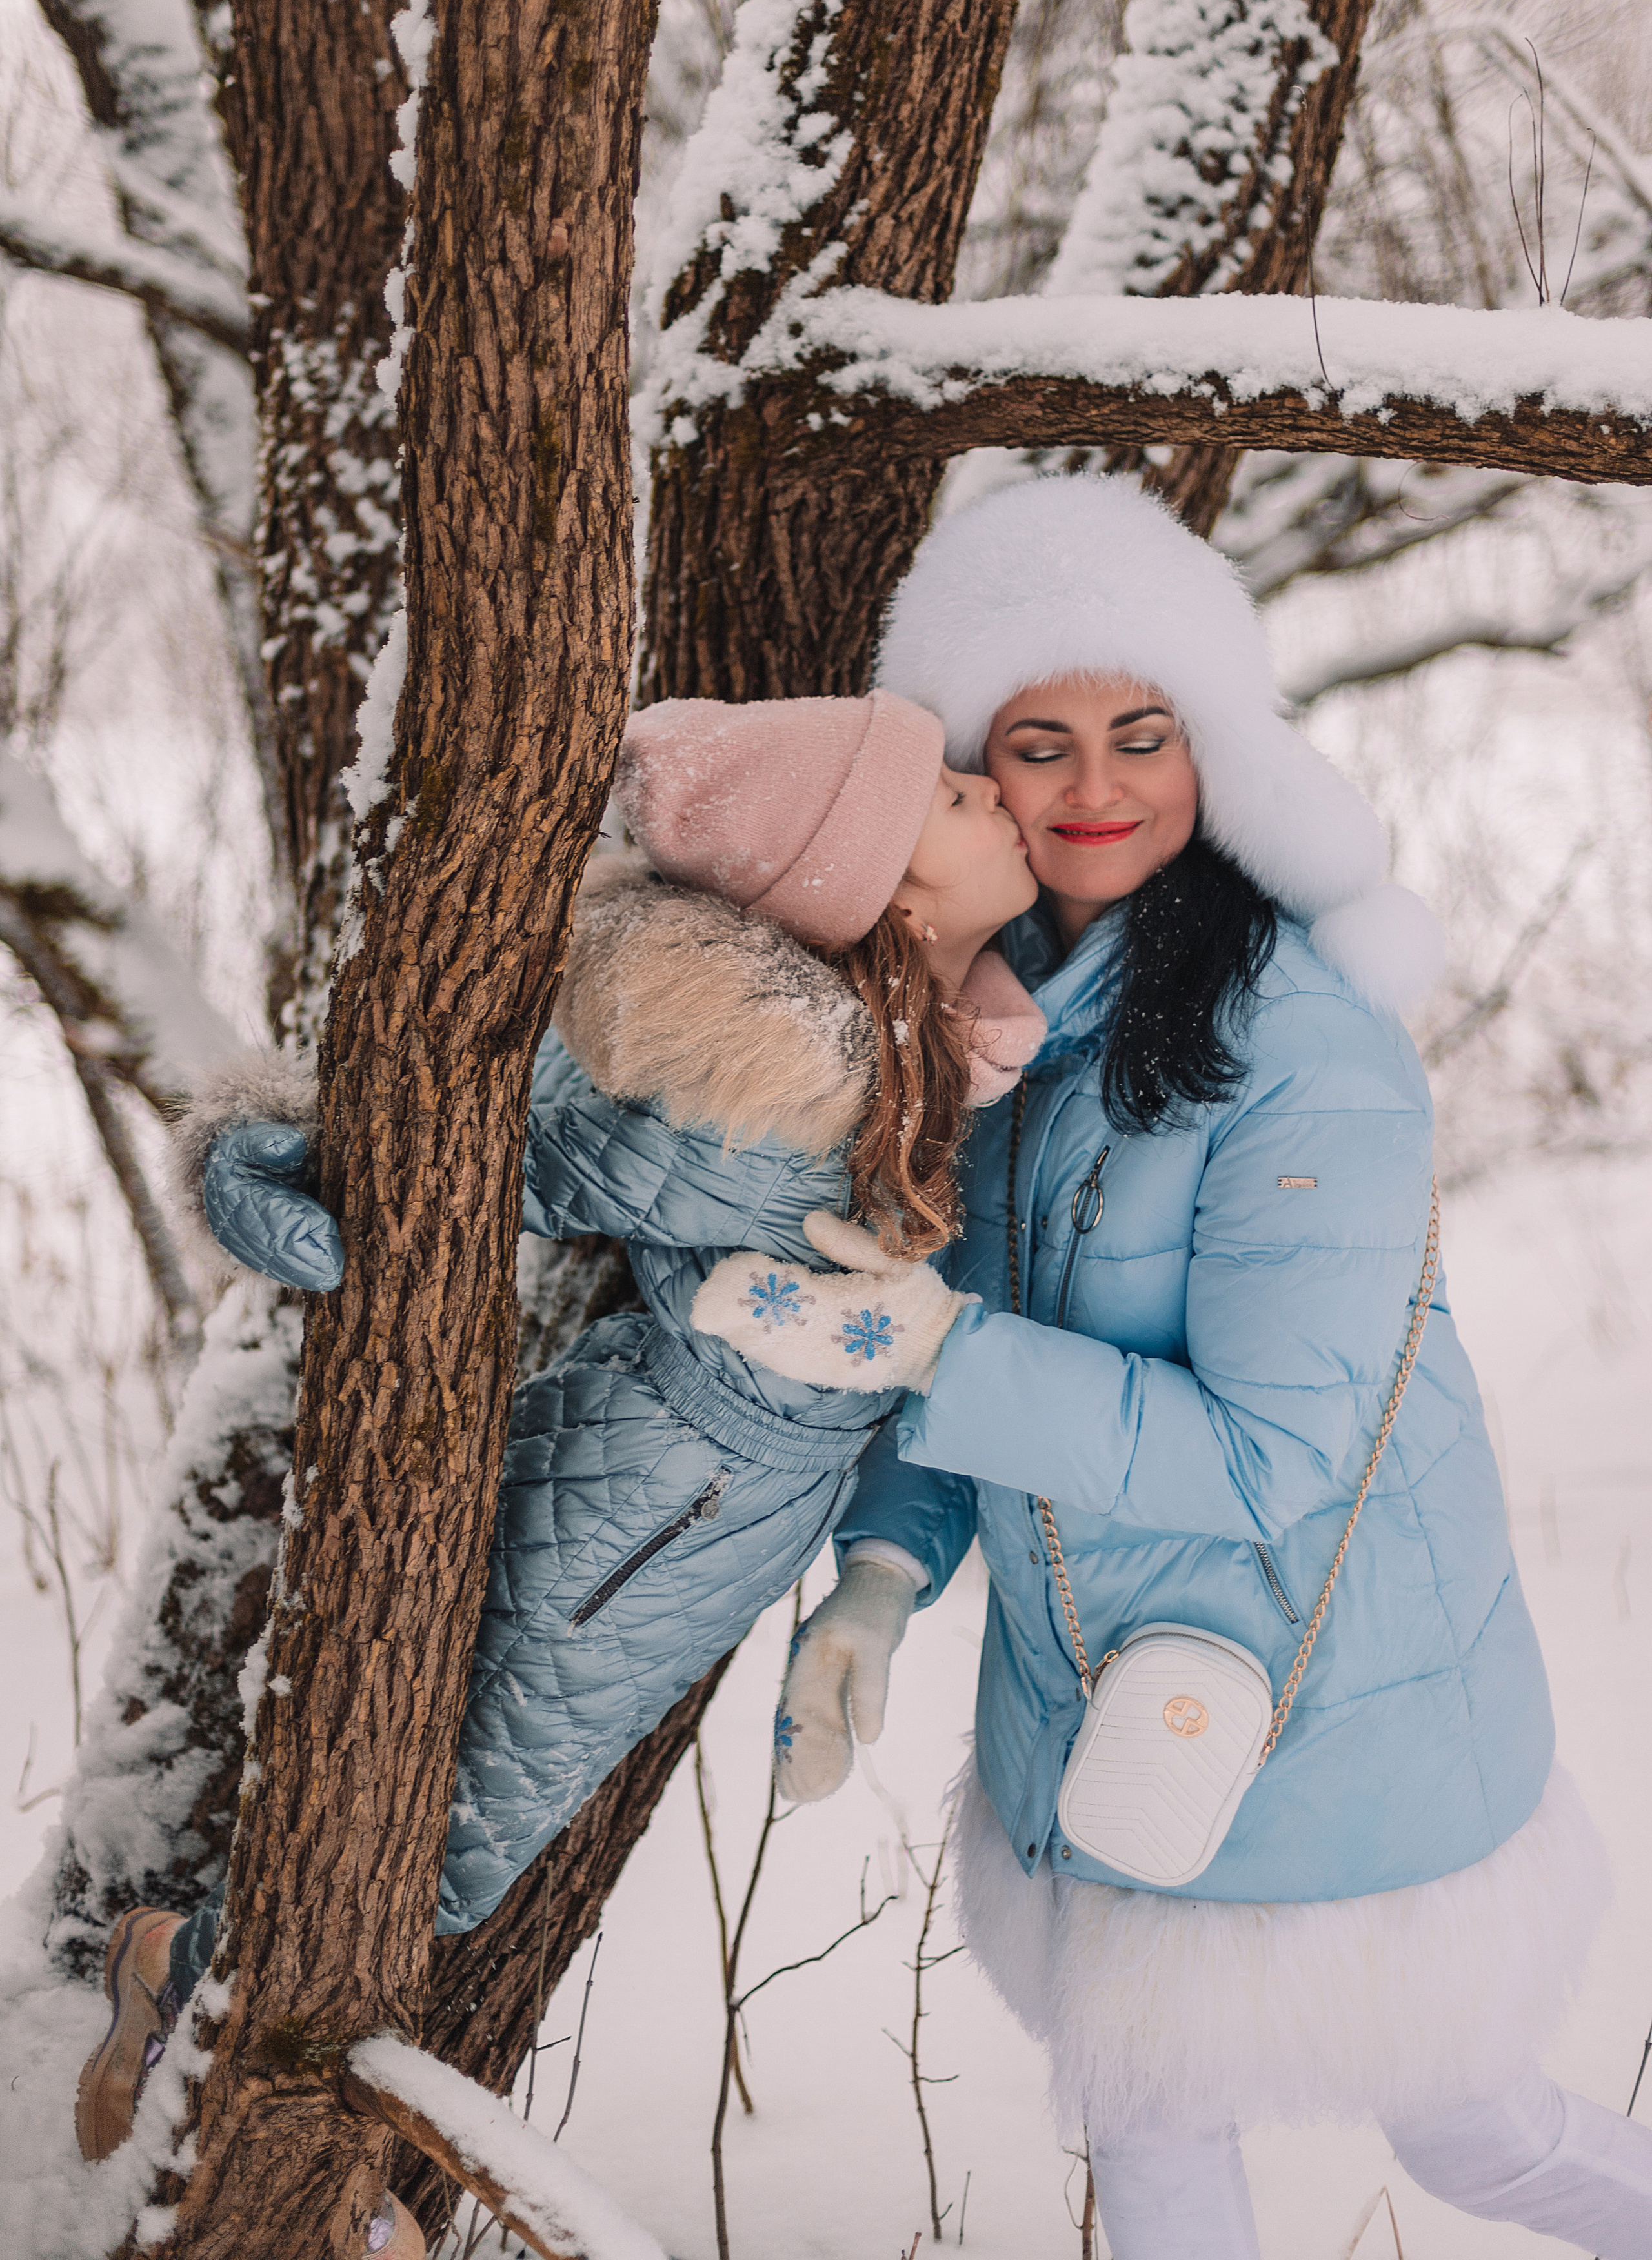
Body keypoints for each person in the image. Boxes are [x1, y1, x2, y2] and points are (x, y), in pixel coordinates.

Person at [710, 476, 1652, 2260]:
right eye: (1037, 744)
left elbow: (1268, 1453)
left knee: (1474, 2133)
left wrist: (943, 1350)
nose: (1095, 789)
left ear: (1213, 746)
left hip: (1335, 1692)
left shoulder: (1305, 1051)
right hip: (1110, 1717)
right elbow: (945, 1329)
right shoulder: (991, 1026)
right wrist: (885, 1580)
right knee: (1147, 2142)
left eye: (1142, 734)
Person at [74, 690, 1047, 2246]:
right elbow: (497, 1136)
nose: (987, 791)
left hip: (694, 1523)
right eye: (942, 794)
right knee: (433, 1846)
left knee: (444, 1843)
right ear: (889, 890)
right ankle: (213, 2068)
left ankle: (242, 2086)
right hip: (637, 1512)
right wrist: (281, 1171)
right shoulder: (764, 1079)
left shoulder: (935, 1053)